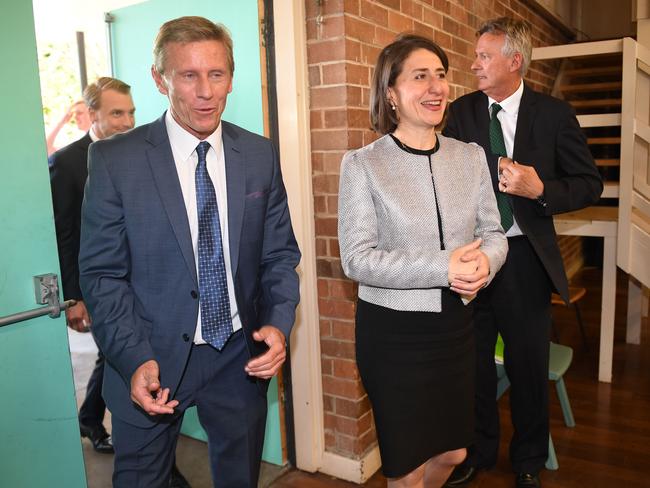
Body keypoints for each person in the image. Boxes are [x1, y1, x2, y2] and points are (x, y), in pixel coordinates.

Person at [78, 16, 300, 488]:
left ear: (231, 78)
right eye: (188, 75)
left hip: (238, 359)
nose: (205, 91)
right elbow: (102, 275)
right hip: (148, 360)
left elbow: (279, 255)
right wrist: (134, 357)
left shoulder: (259, 155)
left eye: (216, 74)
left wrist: (279, 326)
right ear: (160, 80)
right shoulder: (116, 160)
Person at [338, 34, 508, 488]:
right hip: (394, 335)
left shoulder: (470, 157)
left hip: (456, 329)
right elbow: (357, 259)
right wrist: (444, 266)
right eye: (420, 77)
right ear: (390, 93)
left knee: (453, 451)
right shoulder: (363, 165)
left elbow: (494, 233)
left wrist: (484, 266)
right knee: (408, 467)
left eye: (441, 75)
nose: (436, 87)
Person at [443, 18, 602, 488]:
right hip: (473, 258)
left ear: (515, 61)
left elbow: (589, 183)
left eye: (484, 56)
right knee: (472, 364)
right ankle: (477, 452)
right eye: (475, 56)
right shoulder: (459, 112)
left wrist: (540, 189)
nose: (474, 65)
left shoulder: (554, 115)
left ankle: (529, 459)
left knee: (527, 365)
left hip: (525, 261)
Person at [50, 77, 190, 488]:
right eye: (116, 113)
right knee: (121, 357)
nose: (127, 121)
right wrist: (74, 296)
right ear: (90, 115)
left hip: (143, 282)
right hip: (101, 286)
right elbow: (64, 234)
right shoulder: (67, 163)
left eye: (130, 112)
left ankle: (93, 419)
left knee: (122, 358)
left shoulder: (140, 153)